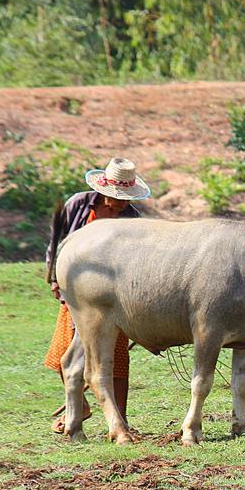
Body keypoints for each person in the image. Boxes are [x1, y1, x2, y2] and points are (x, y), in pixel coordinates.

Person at [44, 157, 151, 433]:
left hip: (115, 294)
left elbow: (139, 260)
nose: (120, 204)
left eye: (125, 199)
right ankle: (78, 407)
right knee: (64, 352)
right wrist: (56, 279)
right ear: (103, 192)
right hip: (78, 288)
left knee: (115, 357)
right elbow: (57, 242)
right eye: (116, 198)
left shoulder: (132, 219)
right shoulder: (78, 205)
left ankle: (121, 421)